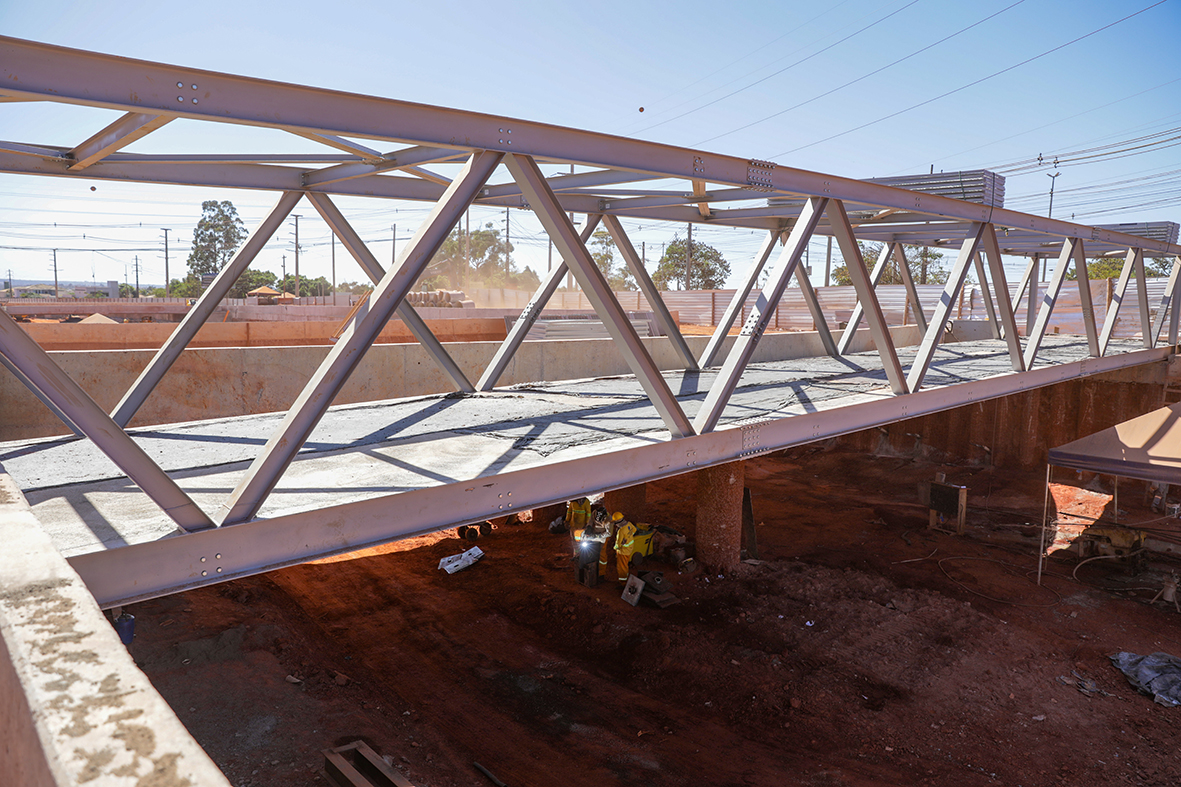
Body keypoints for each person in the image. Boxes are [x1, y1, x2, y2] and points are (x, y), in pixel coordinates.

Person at [614, 515, 655, 581]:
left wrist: (615, 548)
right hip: (629, 549)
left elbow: (618, 544)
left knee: (621, 567)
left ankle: (623, 582)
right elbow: (635, 530)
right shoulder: (629, 524)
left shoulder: (621, 531)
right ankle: (626, 578)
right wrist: (629, 536)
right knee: (625, 566)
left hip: (623, 552)